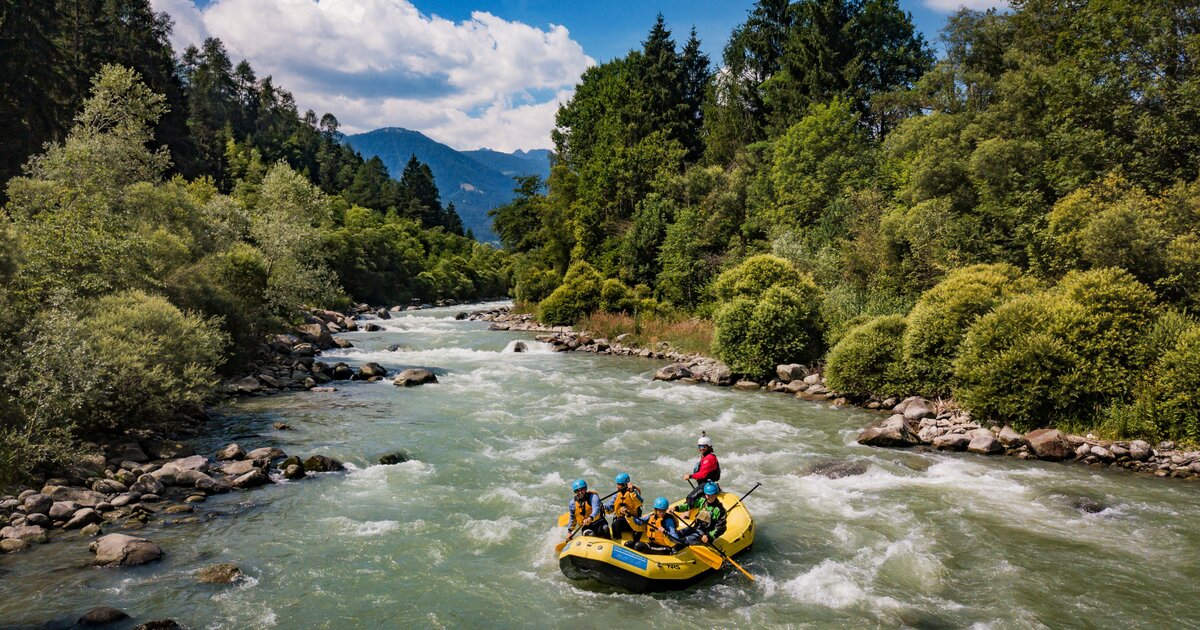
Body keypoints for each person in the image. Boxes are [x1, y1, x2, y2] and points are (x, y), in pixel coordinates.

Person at [673, 482, 727, 546]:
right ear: (705, 494)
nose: (710, 498)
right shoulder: (702, 501)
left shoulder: (720, 510)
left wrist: (709, 536)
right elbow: (688, 506)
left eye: (712, 495)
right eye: (708, 495)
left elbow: (721, 528)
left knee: (683, 541)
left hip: (705, 535)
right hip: (695, 528)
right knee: (676, 534)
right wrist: (675, 508)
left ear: (716, 494)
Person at [682, 433, 721, 504]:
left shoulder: (709, 458)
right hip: (705, 484)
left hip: (707, 484)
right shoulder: (705, 457)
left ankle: (685, 511)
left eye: (703, 446)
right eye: (699, 446)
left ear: (708, 447)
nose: (701, 448)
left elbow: (703, 474)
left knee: (690, 498)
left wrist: (690, 476)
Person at [604, 472, 642, 540]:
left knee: (616, 524)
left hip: (633, 520)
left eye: (619, 485)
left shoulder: (634, 492)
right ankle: (617, 539)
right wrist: (602, 506)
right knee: (615, 523)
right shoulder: (617, 494)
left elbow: (640, 502)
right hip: (621, 519)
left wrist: (632, 491)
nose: (617, 486)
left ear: (625, 485)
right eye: (617, 484)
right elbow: (611, 506)